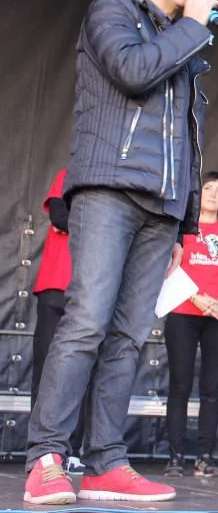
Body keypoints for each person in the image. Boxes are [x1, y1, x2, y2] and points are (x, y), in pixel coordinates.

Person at [23, 0, 218, 505]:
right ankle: (47, 457)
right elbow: (132, 71)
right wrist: (193, 26)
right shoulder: (113, 9)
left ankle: (106, 461)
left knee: (130, 335)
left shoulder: (182, 42)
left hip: (162, 207)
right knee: (86, 321)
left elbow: (187, 137)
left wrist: (185, 223)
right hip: (109, 187)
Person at [163, 172, 218, 478]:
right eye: (207, 188)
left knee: (211, 388)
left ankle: (205, 456)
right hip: (183, 313)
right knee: (179, 386)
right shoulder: (180, 231)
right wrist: (196, 298)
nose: (212, 194)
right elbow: (171, 270)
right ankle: (175, 457)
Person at [30, 168, 86, 476]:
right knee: (46, 368)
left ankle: (72, 450)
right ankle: (40, 450)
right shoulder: (68, 174)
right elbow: (59, 217)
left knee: (84, 371)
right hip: (55, 284)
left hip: (89, 290)